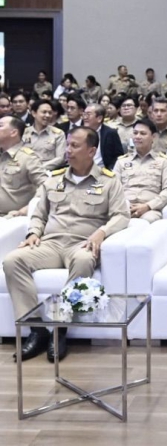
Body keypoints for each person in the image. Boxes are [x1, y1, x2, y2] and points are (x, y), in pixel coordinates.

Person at [4, 127, 130, 361]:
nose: (68, 150)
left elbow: (122, 215)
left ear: (91, 151)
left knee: (83, 261)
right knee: (12, 260)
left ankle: (59, 330)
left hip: (82, 244)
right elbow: (39, 214)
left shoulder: (108, 181)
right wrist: (33, 232)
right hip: (51, 243)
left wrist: (102, 232)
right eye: (68, 145)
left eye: (75, 146)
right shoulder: (54, 179)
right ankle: (37, 330)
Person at [113, 118, 167, 223]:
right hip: (124, 207)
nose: (137, 136)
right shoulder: (121, 161)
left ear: (153, 137)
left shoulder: (163, 162)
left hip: (150, 209)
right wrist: (123, 205)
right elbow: (113, 189)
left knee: (148, 220)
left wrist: (148, 206)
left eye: (142, 133)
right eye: (135, 133)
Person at [0, 116, 49, 218]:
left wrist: (27, 209)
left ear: (13, 133)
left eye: (0, 126)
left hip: (11, 218)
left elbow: (46, 185)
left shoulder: (28, 158)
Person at [22, 100, 66, 171]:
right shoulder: (23, 133)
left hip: (48, 172)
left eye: (50, 113)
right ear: (34, 113)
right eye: (44, 112)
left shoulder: (58, 134)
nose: (47, 115)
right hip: (25, 171)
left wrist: (39, 168)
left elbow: (60, 158)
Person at [82, 103, 126, 170]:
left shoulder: (110, 133)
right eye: (84, 114)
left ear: (99, 118)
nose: (85, 117)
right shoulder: (78, 132)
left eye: (88, 114)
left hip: (103, 171)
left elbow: (119, 156)